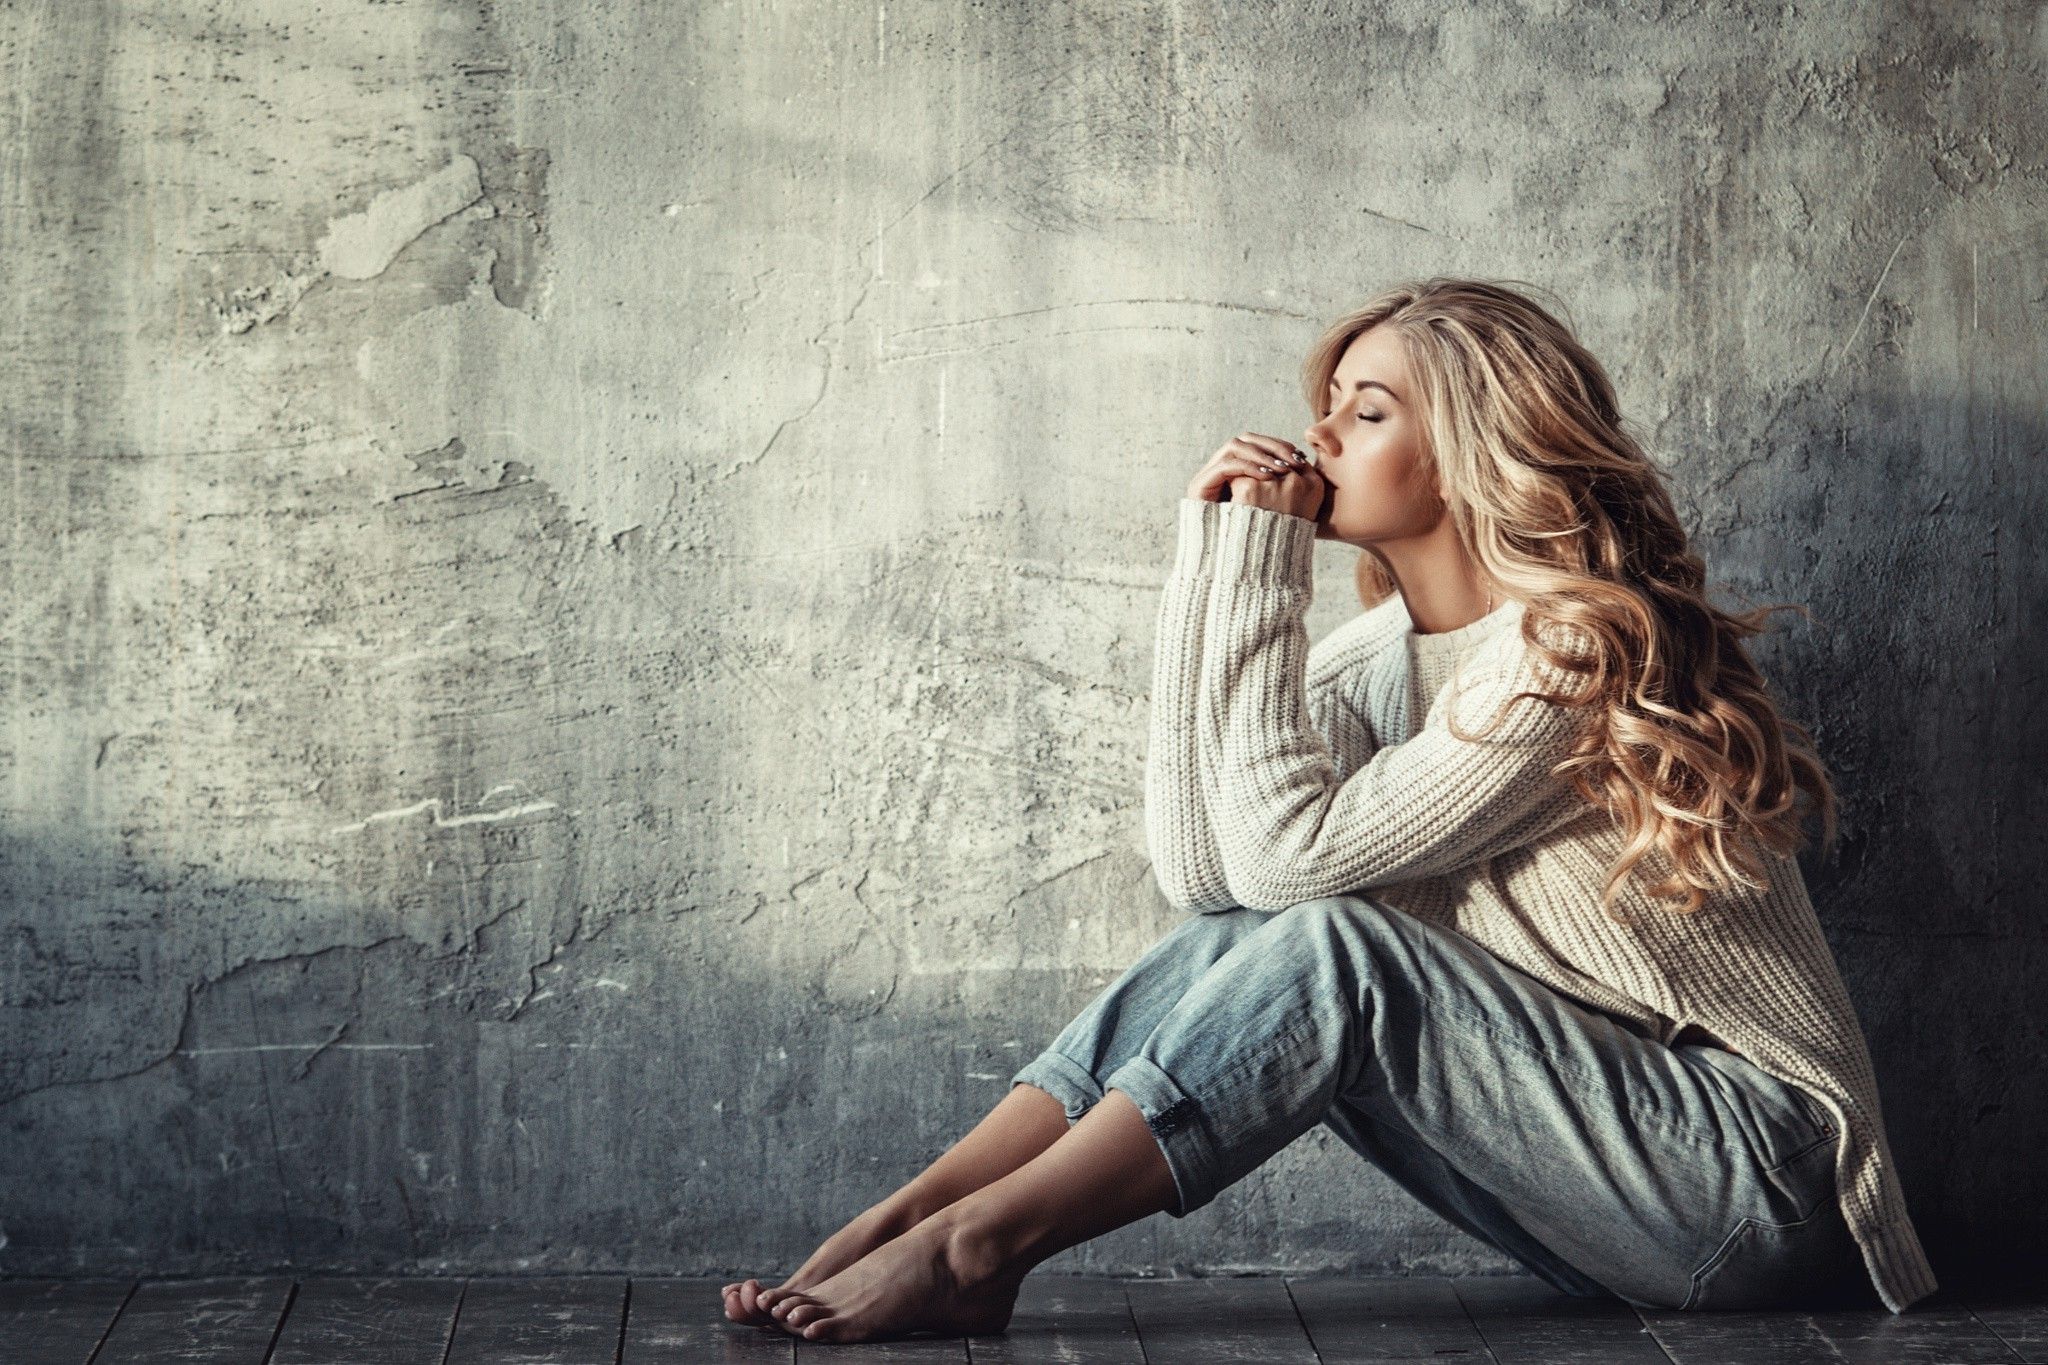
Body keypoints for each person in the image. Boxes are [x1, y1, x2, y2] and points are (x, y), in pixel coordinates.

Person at [721, 277, 1939, 1343]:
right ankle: (917, 1215)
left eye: (1366, 411)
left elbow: (1289, 868)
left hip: (1758, 1183)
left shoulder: (1573, 652)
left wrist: (1253, 568)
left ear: (1471, 450)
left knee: (1331, 947)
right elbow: (1211, 878)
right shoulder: (1369, 666)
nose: (1318, 434)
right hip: (1597, 1196)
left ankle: (974, 1249)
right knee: (1237, 942)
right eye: (1331, 403)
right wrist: (1214, 570)